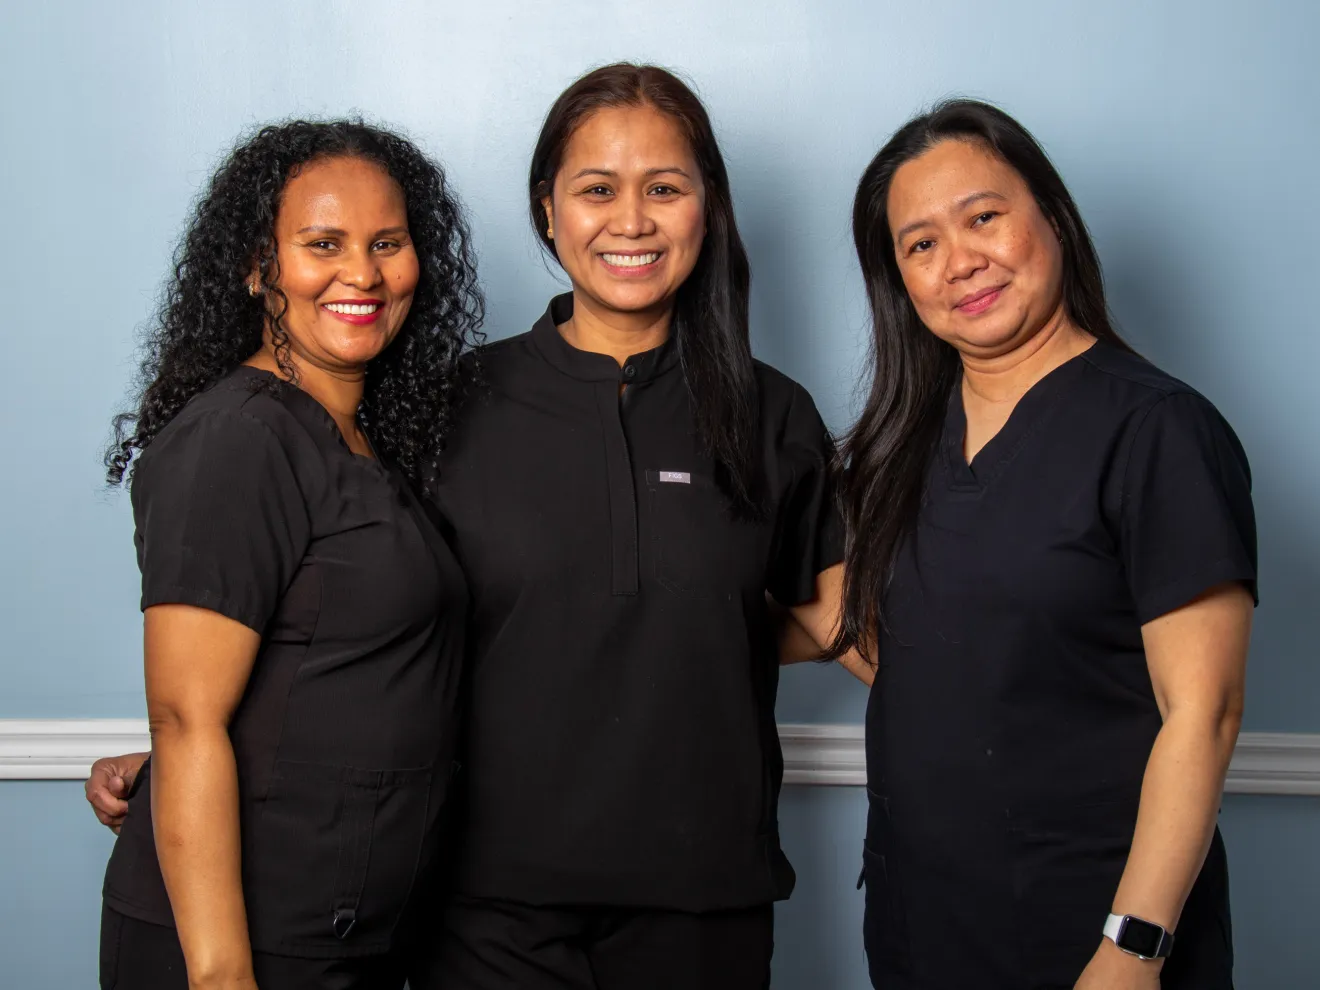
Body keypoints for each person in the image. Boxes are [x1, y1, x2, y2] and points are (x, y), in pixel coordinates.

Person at [88, 65, 868, 988]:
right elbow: (360, 618)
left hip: (702, 898)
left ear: (708, 207)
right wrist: (196, 749)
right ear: (547, 211)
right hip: (477, 911)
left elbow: (831, 622)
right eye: (596, 190)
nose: (632, 220)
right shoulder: (447, 407)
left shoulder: (772, 415)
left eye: (665, 188)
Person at [832, 99, 1256, 989]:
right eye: (921, 244)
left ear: (1052, 218)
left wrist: (1131, 949)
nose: (961, 262)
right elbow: (911, 641)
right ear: (899, 281)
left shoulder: (1158, 430)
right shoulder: (902, 444)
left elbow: (1203, 714)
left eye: (984, 217)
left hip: (1092, 933)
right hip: (922, 926)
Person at [95, 120, 482, 989]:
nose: (363, 273)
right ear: (257, 266)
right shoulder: (239, 439)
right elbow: (187, 717)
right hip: (247, 950)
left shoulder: (366, 441)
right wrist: (223, 976)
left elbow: (309, 673)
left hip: (353, 931)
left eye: (388, 242)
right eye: (322, 244)